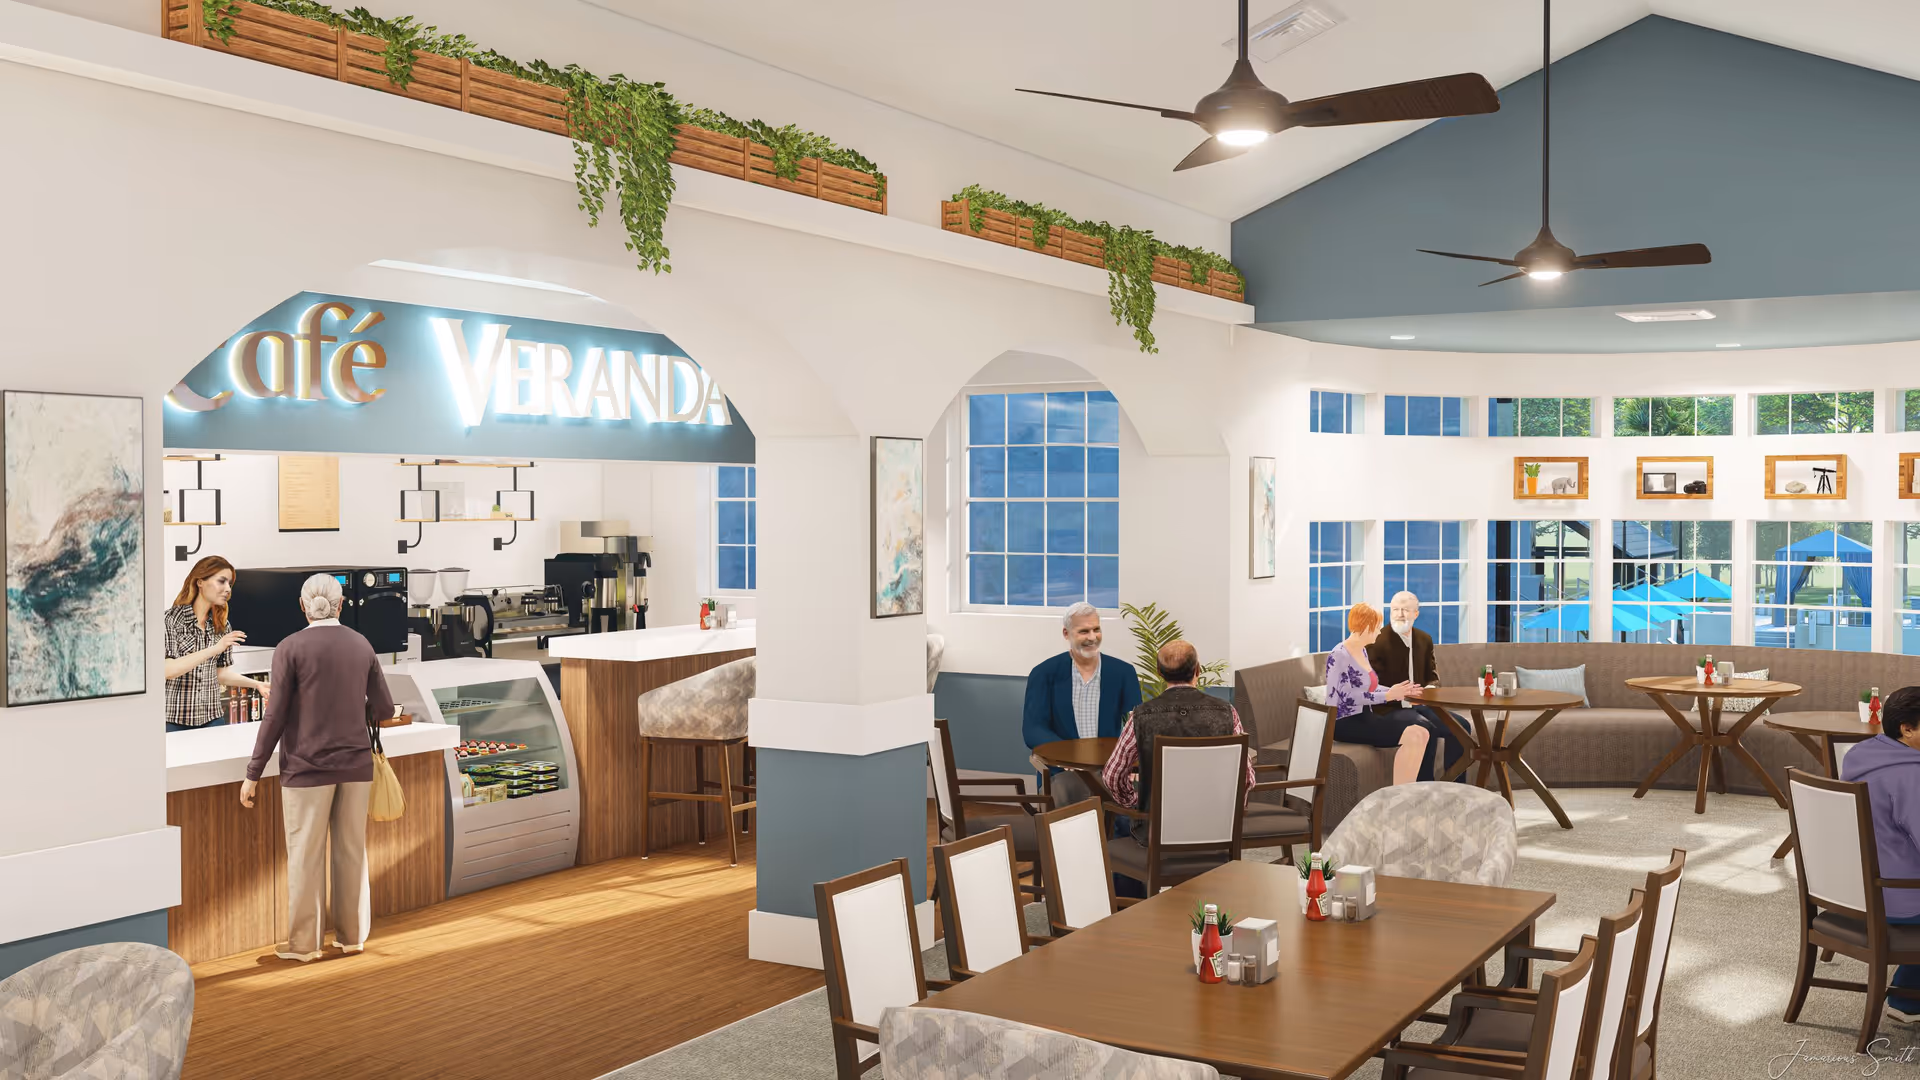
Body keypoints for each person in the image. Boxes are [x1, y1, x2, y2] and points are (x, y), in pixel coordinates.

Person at [240, 574, 395, 962]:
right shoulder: (361, 645)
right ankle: (352, 936)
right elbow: (386, 709)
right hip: (356, 766)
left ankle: (304, 946)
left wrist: (253, 773)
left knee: (306, 856)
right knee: (351, 852)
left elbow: (273, 717)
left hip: (306, 770)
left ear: (302, 605)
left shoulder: (289, 647)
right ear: (341, 605)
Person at [1101, 640, 1255, 842]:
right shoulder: (1227, 712)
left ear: (1159, 672)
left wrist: (1136, 802)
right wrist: (1228, 816)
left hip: (1156, 834)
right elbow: (1246, 778)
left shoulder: (1140, 716)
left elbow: (1111, 776)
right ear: (1198, 670)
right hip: (1217, 832)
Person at [1840, 686, 1920, 1024]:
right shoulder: (1912, 775)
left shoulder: (1859, 754)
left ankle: (1906, 1000)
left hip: (1856, 889)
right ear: (1907, 728)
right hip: (1898, 897)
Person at [1325, 601, 1433, 785]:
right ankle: (1399, 799)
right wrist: (1388, 696)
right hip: (1344, 723)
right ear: (1366, 627)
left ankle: (1408, 794)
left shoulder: (1362, 651)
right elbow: (1347, 697)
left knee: (1422, 733)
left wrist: (1399, 691)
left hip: (1365, 716)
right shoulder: (1339, 655)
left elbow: (1370, 687)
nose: (1379, 632)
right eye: (1377, 628)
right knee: (1414, 737)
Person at [1022, 601, 1143, 765]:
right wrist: (1067, 756)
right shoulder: (1043, 674)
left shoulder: (1124, 673)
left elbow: (1135, 726)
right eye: (1084, 631)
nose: (1092, 637)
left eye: (1096, 629)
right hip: (1062, 767)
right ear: (1066, 633)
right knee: (1070, 789)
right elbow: (1033, 730)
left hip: (1111, 768)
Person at [1366, 591, 1464, 780]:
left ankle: (1454, 785)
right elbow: (1371, 685)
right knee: (1426, 728)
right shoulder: (1376, 641)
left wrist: (1427, 692)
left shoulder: (1424, 639)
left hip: (1421, 705)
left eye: (1405, 610)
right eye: (1395, 610)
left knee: (1462, 727)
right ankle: (1424, 789)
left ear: (1416, 614)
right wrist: (1399, 693)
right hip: (1389, 709)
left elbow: (1433, 676)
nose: (1400, 614)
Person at [164, 556, 269, 732]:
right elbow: (168, 670)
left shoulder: (223, 625)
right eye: (221, 581)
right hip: (174, 721)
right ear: (200, 582)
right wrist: (214, 648)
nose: (228, 589)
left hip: (213, 720)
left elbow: (221, 674)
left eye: (229, 584)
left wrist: (256, 684)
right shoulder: (172, 620)